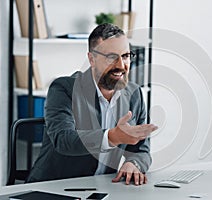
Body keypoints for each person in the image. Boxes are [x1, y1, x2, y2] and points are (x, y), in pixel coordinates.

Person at [26, 23, 158, 185]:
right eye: (111, 57)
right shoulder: (64, 89)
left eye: (125, 56)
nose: (121, 65)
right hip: (54, 187)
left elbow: (142, 150)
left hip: (102, 188)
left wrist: (134, 163)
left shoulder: (134, 94)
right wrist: (111, 137)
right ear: (92, 59)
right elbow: (63, 140)